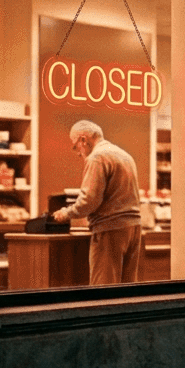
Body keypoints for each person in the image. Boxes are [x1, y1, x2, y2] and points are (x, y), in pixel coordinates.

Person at [52, 120, 143, 285]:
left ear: (83, 140)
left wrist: (66, 213)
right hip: (134, 229)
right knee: (128, 289)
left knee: (104, 289)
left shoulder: (97, 158)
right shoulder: (125, 155)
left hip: (110, 229)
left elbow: (89, 200)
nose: (78, 153)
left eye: (75, 146)